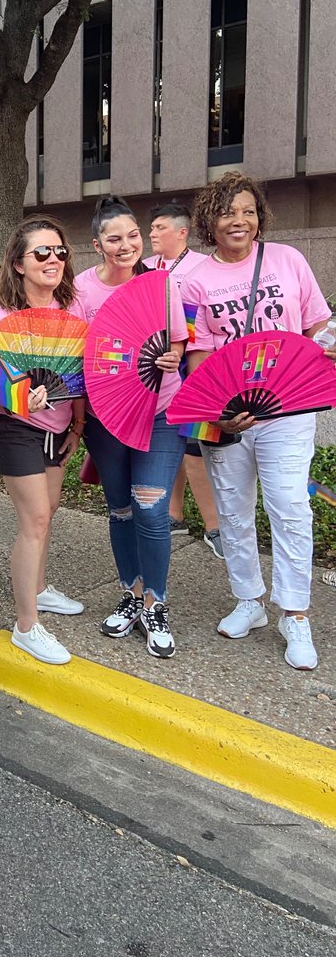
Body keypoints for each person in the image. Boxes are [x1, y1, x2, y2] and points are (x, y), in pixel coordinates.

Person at [180, 173, 334, 671]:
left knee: (290, 506)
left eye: (247, 211)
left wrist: (329, 343)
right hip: (231, 416)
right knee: (232, 511)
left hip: (287, 409)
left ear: (259, 216)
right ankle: (250, 600)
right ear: (210, 221)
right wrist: (221, 412)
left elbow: (315, 327)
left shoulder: (287, 260)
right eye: (227, 212)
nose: (238, 220)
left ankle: (296, 613)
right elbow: (200, 352)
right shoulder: (197, 279)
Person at [73, 196, 187, 658]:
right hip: (105, 418)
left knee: (152, 508)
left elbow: (178, 345)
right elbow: (75, 359)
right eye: (114, 238)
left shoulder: (162, 285)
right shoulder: (80, 290)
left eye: (133, 236)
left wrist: (172, 357)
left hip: (160, 410)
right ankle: (131, 593)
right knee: (120, 508)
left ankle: (155, 603)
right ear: (97, 243)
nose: (126, 245)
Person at [0, 217, 86, 666]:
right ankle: (26, 625)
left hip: (58, 424)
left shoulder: (71, 309)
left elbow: (77, 377)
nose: (53, 260)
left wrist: (77, 427)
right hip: (13, 425)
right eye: (42, 253)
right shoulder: (1, 319)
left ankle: (39, 588)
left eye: (59, 252)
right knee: (35, 519)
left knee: (49, 512)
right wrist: (17, 398)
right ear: (18, 264)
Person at [145, 202, 222, 557]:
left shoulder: (203, 267)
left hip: (194, 363)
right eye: (151, 228)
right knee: (164, 442)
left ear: (181, 231)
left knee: (194, 446)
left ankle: (214, 526)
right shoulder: (143, 268)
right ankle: (173, 514)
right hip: (155, 367)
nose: (151, 234)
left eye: (159, 227)